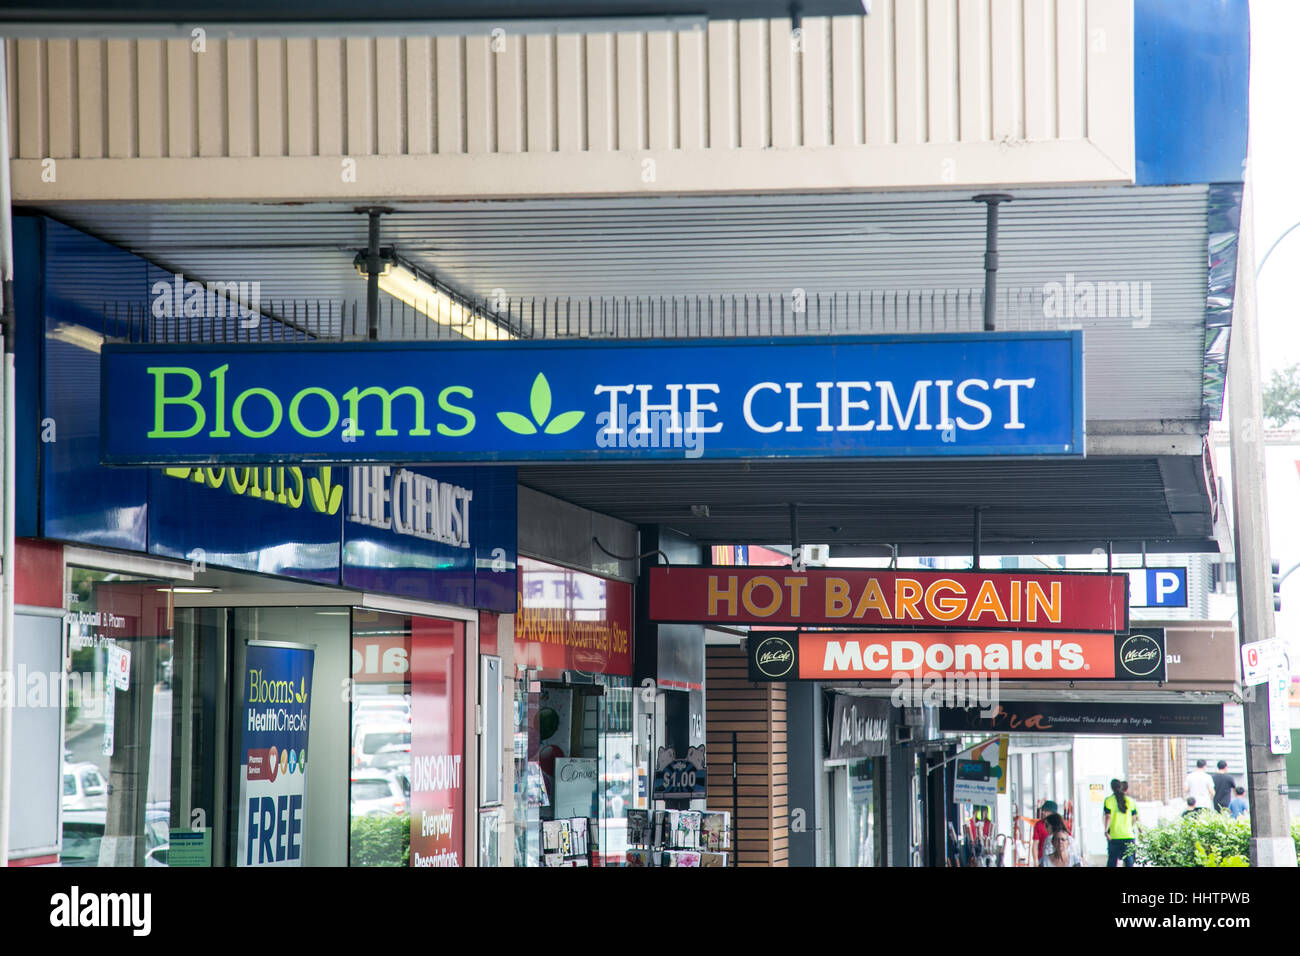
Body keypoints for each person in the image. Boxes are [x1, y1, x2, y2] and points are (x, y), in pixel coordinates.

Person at [1103, 778, 1140, 867]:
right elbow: (1134, 817)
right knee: (1129, 861)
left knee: (1112, 861)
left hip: (1114, 836)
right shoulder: (1130, 801)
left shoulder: (1108, 800)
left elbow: (1108, 817)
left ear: (1112, 788)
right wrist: (1130, 827)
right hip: (1128, 835)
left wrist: (1106, 831)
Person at [1031, 800, 1059, 865]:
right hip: (1043, 859)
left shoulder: (1059, 823)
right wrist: (1035, 860)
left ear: (1052, 813)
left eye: (1046, 811)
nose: (1043, 812)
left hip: (1058, 859)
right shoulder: (1039, 825)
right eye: (1042, 810)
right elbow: (1035, 844)